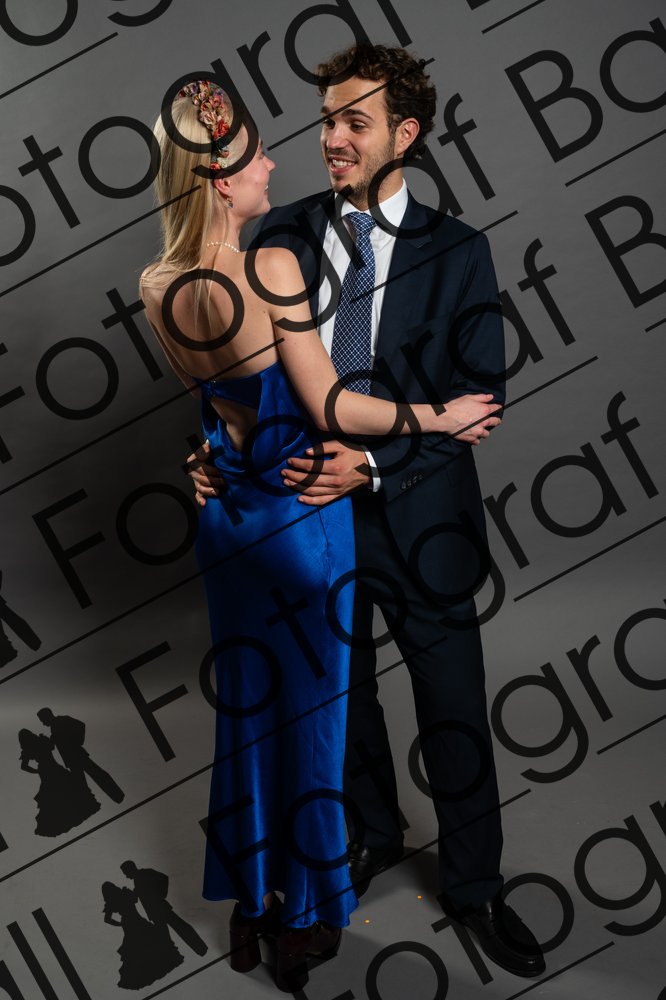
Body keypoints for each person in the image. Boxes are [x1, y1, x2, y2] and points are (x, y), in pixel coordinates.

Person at [190, 45, 545, 979]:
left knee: (453, 705)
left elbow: (480, 402)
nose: (332, 139)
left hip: (422, 521)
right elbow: (233, 365)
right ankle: (370, 835)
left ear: (405, 134)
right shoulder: (284, 232)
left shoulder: (460, 251)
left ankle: (475, 887)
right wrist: (213, 451)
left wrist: (377, 467)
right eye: (327, 120)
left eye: (355, 121)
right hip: (307, 522)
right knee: (341, 705)